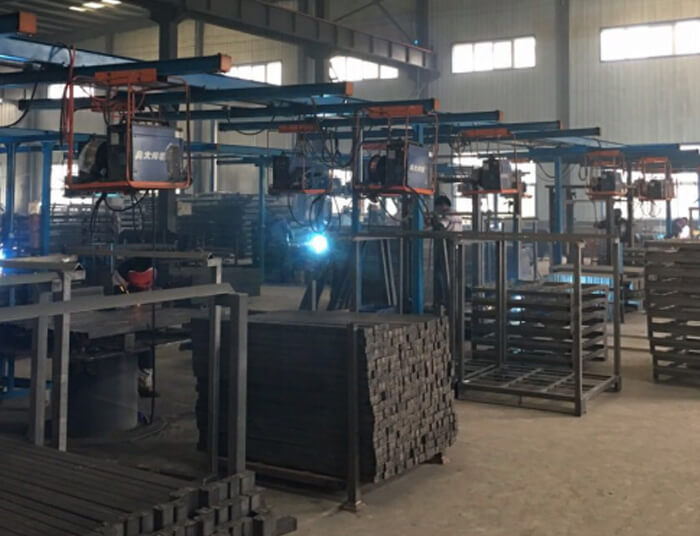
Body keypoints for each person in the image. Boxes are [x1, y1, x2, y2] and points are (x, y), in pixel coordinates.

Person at [112, 257, 158, 397]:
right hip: (124, 315)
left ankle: (145, 383)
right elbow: (119, 298)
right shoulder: (120, 275)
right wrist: (129, 306)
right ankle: (122, 383)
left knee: (147, 344)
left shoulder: (155, 270)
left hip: (144, 313)